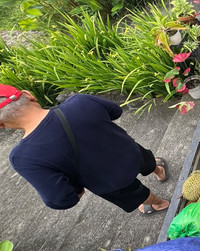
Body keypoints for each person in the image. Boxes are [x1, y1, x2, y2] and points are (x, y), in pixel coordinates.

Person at [0, 85, 170, 215]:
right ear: (29, 95)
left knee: (136, 194)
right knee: (146, 160)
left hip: (109, 181)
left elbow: (59, 198)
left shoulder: (23, 157)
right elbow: (115, 111)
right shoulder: (80, 102)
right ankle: (159, 170)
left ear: (1, 125)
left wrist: (77, 191)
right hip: (129, 151)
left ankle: (159, 203)